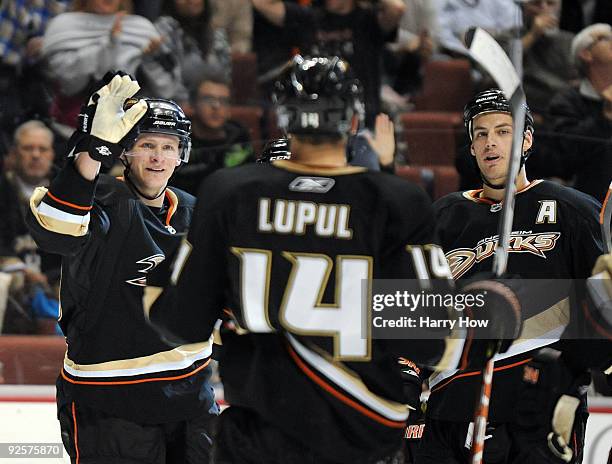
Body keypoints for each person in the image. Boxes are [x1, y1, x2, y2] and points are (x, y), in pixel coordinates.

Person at [143, 55, 525, 464]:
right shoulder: (396, 201)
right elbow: (438, 345)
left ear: (285, 118)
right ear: (353, 121)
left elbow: (178, 324)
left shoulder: (229, 191)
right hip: (360, 439)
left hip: (257, 442)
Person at [26, 72, 217, 463]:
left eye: (169, 146)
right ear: (125, 150)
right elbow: (55, 233)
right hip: (109, 401)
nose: (158, 157)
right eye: (147, 145)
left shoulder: (197, 210)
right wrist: (91, 152)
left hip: (192, 398)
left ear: (182, 154)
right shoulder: (100, 200)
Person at [416, 89, 603, 464]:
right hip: (449, 408)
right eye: (480, 134)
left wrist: (580, 377)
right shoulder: (442, 217)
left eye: (503, 131)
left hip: (538, 409)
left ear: (527, 139)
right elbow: (411, 311)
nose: (490, 143)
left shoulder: (573, 211)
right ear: (471, 148)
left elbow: (603, 306)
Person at [251, 0, 406, 127]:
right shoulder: (310, 17)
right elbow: (262, 3)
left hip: (361, 121)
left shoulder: (367, 20)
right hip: (316, 121)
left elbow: (396, 7)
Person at [42, 0, 180, 127]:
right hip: (74, 126)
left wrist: (151, 60)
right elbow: (68, 85)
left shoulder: (141, 28)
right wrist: (108, 46)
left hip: (133, 127)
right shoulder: (64, 26)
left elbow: (167, 89)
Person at [0, 120, 61, 333]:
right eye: (28, 148)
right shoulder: (3, 188)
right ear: (15, 153)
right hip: (10, 274)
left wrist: (51, 278)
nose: (35, 155)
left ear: (51, 154)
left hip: (54, 278)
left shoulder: (66, 193)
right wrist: (22, 270)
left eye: (42, 149)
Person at [546, 22, 612, 203]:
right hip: (593, 201)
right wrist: (605, 117)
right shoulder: (566, 101)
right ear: (586, 54)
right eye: (604, 38)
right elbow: (567, 157)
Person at [171, 68, 253, 195]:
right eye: (208, 99)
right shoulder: (179, 138)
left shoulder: (239, 138)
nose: (216, 106)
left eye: (223, 101)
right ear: (193, 104)